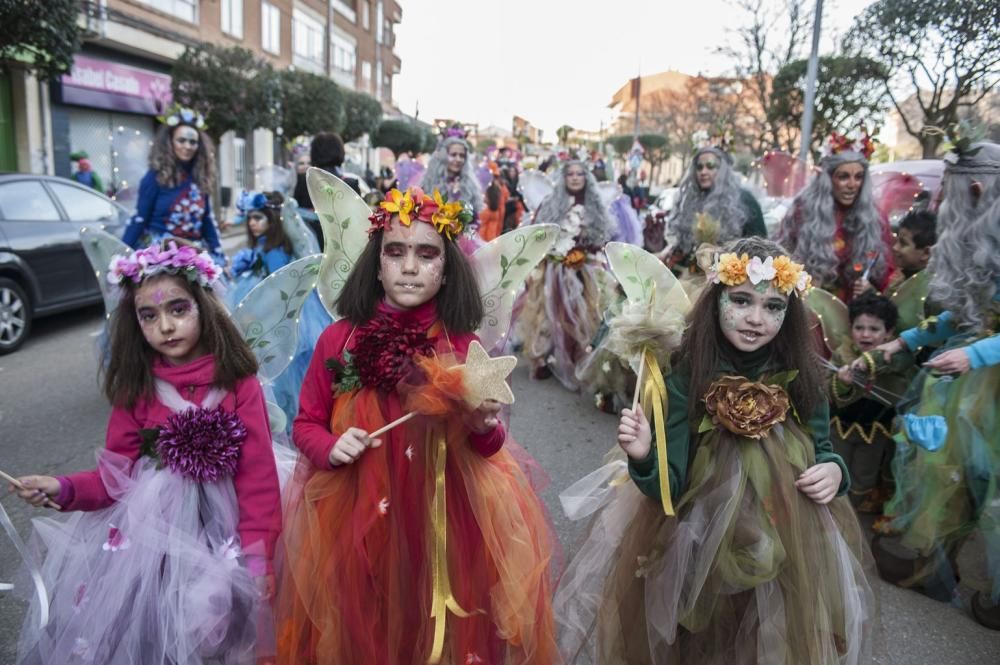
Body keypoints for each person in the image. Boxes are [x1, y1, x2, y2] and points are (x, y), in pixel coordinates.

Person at [555, 236, 874, 664]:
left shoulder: (799, 374)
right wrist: (645, 454)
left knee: (768, 629)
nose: (756, 319)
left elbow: (821, 447)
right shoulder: (687, 371)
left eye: (773, 306)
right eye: (741, 301)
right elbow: (669, 484)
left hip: (782, 530)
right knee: (701, 629)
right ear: (716, 299)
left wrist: (834, 470)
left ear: (790, 312)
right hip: (697, 534)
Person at [274, 187, 559, 664]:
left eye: (426, 254)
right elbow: (306, 424)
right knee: (365, 616)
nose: (409, 266)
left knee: (433, 622)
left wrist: (482, 422)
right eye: (395, 252)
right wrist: (329, 446)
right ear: (377, 262)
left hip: (441, 516)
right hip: (358, 512)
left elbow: (489, 444)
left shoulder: (460, 343)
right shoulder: (339, 339)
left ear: (446, 269)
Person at [11, 239, 281, 663]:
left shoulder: (237, 383)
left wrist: (257, 557)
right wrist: (62, 488)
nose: (166, 327)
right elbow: (111, 479)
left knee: (221, 633)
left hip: (224, 539)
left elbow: (258, 478)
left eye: (178, 309)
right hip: (154, 546)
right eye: (148, 315)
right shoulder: (136, 389)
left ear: (203, 307)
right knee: (161, 634)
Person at [863, 142, 1000, 627]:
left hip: (987, 387)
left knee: (990, 488)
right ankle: (934, 568)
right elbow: (963, 313)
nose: (942, 203)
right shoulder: (970, 239)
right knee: (943, 475)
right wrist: (904, 342)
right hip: (958, 379)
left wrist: (975, 353)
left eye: (954, 191)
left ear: (979, 189)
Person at [517, 160, 617, 387]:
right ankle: (542, 355)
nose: (574, 178)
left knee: (581, 314)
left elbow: (601, 238)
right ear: (563, 178)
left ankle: (577, 356)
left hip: (584, 270)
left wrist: (584, 251)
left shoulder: (595, 207)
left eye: (579, 174)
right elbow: (539, 234)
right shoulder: (551, 204)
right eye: (570, 174)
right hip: (553, 269)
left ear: (586, 178)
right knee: (548, 313)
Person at [776, 132, 895, 302]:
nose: (852, 185)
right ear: (828, 179)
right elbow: (781, 257)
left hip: (856, 315)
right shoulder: (803, 210)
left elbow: (886, 272)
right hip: (806, 306)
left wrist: (871, 289)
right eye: (843, 177)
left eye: (859, 177)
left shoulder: (875, 217)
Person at [830, 293, 911, 515]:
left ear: (889, 333)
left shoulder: (894, 360)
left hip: (875, 433)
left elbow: (899, 389)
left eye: (874, 329)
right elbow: (829, 390)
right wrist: (843, 383)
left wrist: (871, 364)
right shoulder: (841, 354)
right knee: (837, 467)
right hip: (840, 428)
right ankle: (833, 514)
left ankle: (852, 515)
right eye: (859, 327)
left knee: (863, 474)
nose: (865, 334)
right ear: (850, 327)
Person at [122, 106, 224, 263]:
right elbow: (140, 219)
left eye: (193, 142)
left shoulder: (201, 178)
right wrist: (122, 255)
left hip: (193, 258)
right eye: (181, 140)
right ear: (170, 142)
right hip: (160, 258)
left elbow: (207, 221)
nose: (187, 146)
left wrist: (219, 254)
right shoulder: (154, 177)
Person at [663, 145, 766, 274]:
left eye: (710, 166)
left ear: (722, 170)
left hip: (730, 277)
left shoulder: (744, 199)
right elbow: (682, 247)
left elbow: (760, 246)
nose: (703, 172)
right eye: (699, 167)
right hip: (691, 276)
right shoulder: (689, 201)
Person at [226, 191, 294, 308]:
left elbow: (279, 290)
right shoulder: (263, 245)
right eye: (250, 218)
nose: (251, 223)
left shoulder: (274, 252)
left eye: (257, 218)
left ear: (272, 221)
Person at [422, 126, 484, 223]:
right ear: (443, 156)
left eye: (462, 156)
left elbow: (474, 218)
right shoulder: (428, 182)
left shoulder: (469, 184)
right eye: (453, 155)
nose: (458, 159)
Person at [889, 209, 936, 288]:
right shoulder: (901, 276)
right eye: (897, 241)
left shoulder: (927, 288)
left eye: (903, 243)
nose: (895, 248)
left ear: (926, 253)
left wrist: (869, 294)